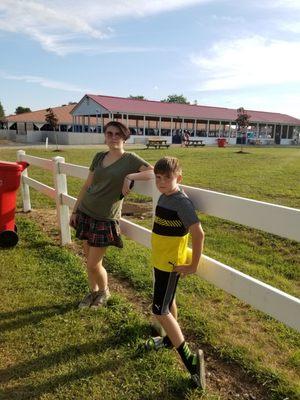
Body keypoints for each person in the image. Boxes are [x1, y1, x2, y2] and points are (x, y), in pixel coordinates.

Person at [70, 121, 153, 309]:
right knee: (88, 260)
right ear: (105, 136)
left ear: (124, 137)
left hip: (105, 218)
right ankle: (93, 292)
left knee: (93, 263)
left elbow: (152, 172)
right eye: (109, 133)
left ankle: (104, 291)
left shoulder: (130, 159)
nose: (113, 137)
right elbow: (87, 185)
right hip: (86, 211)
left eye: (117, 134)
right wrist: (75, 210)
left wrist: (130, 177)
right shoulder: (99, 156)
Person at [145, 156, 206, 389]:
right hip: (160, 260)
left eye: (167, 178)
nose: (161, 182)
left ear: (178, 178)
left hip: (171, 265)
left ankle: (191, 362)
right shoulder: (164, 196)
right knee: (169, 304)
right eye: (157, 178)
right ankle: (170, 339)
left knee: (159, 310)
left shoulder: (181, 202)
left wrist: (193, 265)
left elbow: (198, 234)